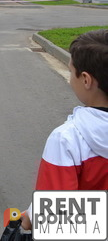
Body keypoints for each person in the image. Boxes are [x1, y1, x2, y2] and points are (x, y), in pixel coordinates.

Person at [20, 29, 108, 230]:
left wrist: (31, 217)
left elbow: (58, 221)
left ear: (86, 80)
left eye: (71, 72)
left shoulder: (67, 139)